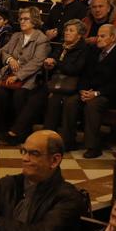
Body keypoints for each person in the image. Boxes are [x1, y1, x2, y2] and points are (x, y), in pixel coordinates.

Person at [56, 24, 116, 157]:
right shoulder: (94, 51)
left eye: (102, 36)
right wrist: (82, 90)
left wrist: (96, 93)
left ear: (113, 38)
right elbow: (84, 74)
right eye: (98, 36)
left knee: (93, 105)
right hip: (89, 90)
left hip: (108, 94)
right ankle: (68, 140)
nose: (98, 39)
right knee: (71, 101)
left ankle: (93, 146)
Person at [0, 7, 51, 143]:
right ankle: (3, 130)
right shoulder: (16, 36)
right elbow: (3, 51)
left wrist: (18, 76)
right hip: (10, 75)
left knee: (20, 94)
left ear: (35, 21)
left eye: (26, 19)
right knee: (1, 92)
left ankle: (20, 133)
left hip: (29, 77)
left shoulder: (41, 39)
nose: (22, 22)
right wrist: (10, 59)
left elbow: (37, 62)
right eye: (21, 19)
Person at [39, 19, 90, 147]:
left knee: (70, 102)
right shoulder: (62, 46)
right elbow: (54, 60)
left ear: (79, 35)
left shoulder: (84, 49)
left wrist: (57, 63)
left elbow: (76, 69)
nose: (67, 33)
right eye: (66, 30)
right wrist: (49, 64)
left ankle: (68, 140)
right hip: (59, 83)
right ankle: (48, 137)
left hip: (76, 85)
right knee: (52, 99)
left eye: (71, 31)